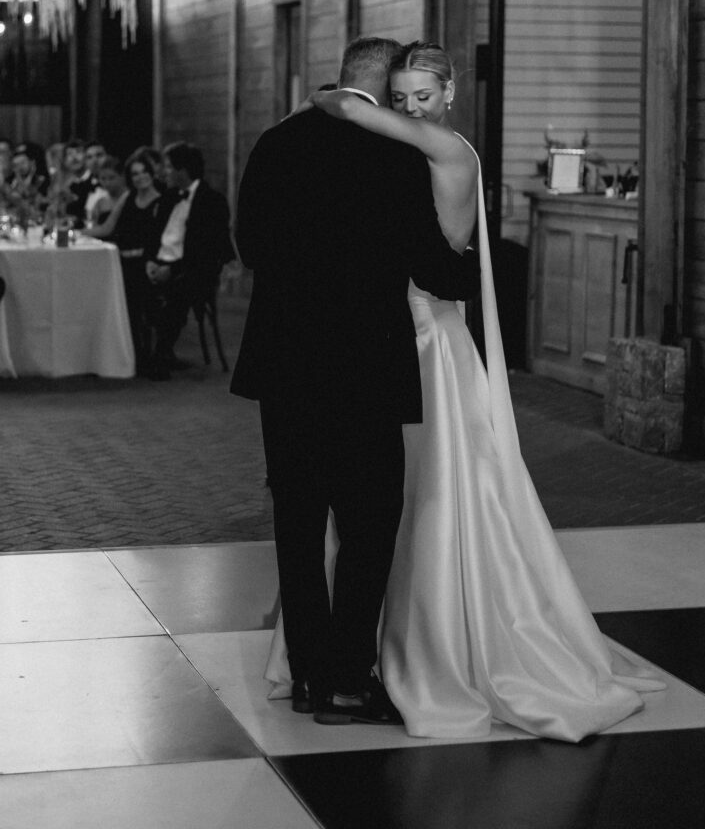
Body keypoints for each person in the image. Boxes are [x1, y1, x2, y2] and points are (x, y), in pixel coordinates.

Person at [265, 41, 666, 742]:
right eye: (401, 97)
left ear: (450, 93)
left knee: (408, 500)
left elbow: (420, 257)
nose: (413, 107)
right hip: (386, 343)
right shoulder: (393, 150)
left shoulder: (446, 152)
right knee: (371, 507)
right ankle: (347, 663)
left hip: (417, 341)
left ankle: (380, 652)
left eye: (425, 94)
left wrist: (335, 101)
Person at [231, 37, 481, 726]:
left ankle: (310, 675)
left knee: (299, 522)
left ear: (343, 80)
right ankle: (347, 679)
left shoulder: (275, 142)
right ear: (381, 89)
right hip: (365, 367)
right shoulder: (396, 154)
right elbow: (430, 264)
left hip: (283, 364)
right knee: (370, 525)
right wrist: (476, 271)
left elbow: (248, 242)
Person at [144, 141, 235, 380]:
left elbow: (207, 251)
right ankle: (139, 353)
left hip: (193, 270)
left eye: (167, 167)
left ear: (182, 170)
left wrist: (171, 270)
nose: (163, 172)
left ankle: (160, 356)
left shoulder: (211, 201)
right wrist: (151, 262)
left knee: (178, 290)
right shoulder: (168, 198)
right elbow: (154, 238)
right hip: (161, 264)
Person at [85, 148, 163, 372]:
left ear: (151, 173)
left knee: (132, 290)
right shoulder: (129, 197)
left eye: (144, 172)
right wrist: (74, 233)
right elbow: (107, 227)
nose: (140, 177)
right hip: (123, 261)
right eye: (135, 174)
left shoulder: (161, 200)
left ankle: (142, 355)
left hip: (145, 262)